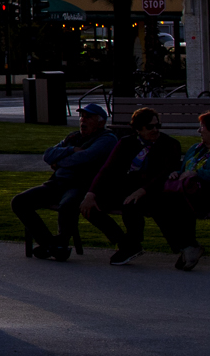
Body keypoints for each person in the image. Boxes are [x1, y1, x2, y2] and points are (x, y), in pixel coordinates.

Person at [13, 101, 118, 261]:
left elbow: (85, 157)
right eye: (82, 116)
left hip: (80, 184)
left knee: (68, 204)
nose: (83, 120)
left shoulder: (107, 139)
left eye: (88, 117)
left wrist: (59, 162)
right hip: (56, 183)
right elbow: (48, 154)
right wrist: (70, 150)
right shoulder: (73, 138)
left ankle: (59, 244)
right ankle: (51, 245)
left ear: (101, 122)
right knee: (20, 201)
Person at [85, 107, 182, 265]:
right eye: (150, 127)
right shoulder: (127, 143)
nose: (155, 129)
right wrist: (91, 193)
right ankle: (126, 244)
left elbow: (165, 173)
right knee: (90, 207)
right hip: (126, 187)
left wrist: (141, 191)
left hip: (153, 190)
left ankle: (132, 244)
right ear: (138, 129)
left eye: (158, 125)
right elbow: (107, 170)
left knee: (131, 204)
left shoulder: (169, 144)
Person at [156, 114, 208, 271]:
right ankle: (188, 247)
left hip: (205, 194)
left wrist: (198, 174)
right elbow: (184, 168)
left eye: (203, 127)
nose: (199, 131)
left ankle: (188, 247)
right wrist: (176, 173)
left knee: (173, 204)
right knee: (156, 204)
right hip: (186, 192)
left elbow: (198, 173)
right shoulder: (195, 148)